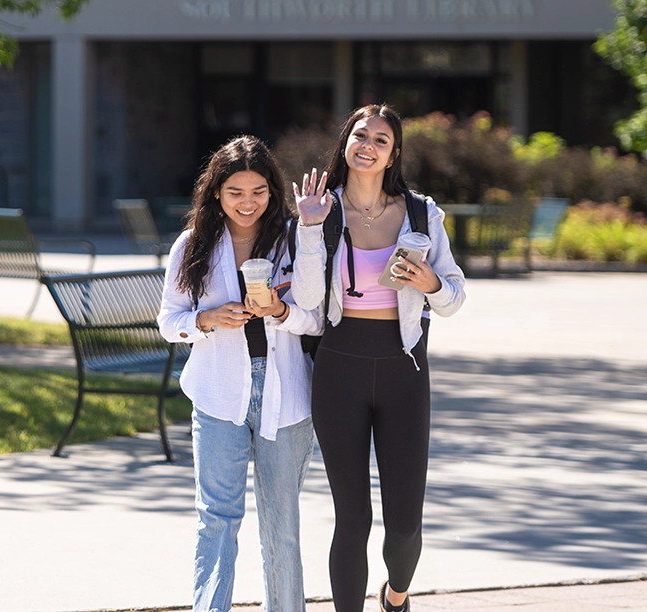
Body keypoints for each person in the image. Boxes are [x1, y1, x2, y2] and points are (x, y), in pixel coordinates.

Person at [290, 104, 466, 612]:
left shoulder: (421, 213)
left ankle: (396, 595)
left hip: (403, 370)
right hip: (339, 368)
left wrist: (429, 282)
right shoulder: (320, 210)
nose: (368, 145)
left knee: (406, 523)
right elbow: (304, 300)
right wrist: (305, 228)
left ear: (393, 155)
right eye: (360, 135)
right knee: (353, 518)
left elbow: (453, 298)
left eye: (381, 140)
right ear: (345, 142)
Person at [158, 135, 323, 612]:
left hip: (285, 395)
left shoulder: (294, 239)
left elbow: (314, 315)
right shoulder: (193, 244)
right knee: (216, 518)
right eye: (235, 193)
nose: (247, 203)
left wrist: (278, 311)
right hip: (217, 397)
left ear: (272, 191)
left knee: (281, 525)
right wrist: (207, 320)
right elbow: (170, 322)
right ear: (215, 192)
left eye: (258, 191)